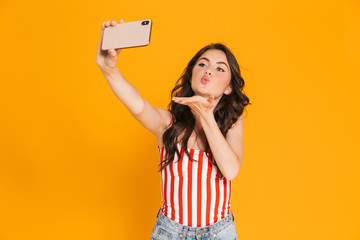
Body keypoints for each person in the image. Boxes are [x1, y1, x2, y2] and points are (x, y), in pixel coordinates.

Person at [96, 19, 251, 240]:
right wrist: (109, 68)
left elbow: (231, 170)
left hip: (220, 233)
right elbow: (137, 104)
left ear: (228, 87)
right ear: (192, 74)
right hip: (171, 233)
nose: (208, 70)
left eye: (219, 68)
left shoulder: (232, 123)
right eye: (202, 64)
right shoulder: (168, 124)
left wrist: (206, 115)